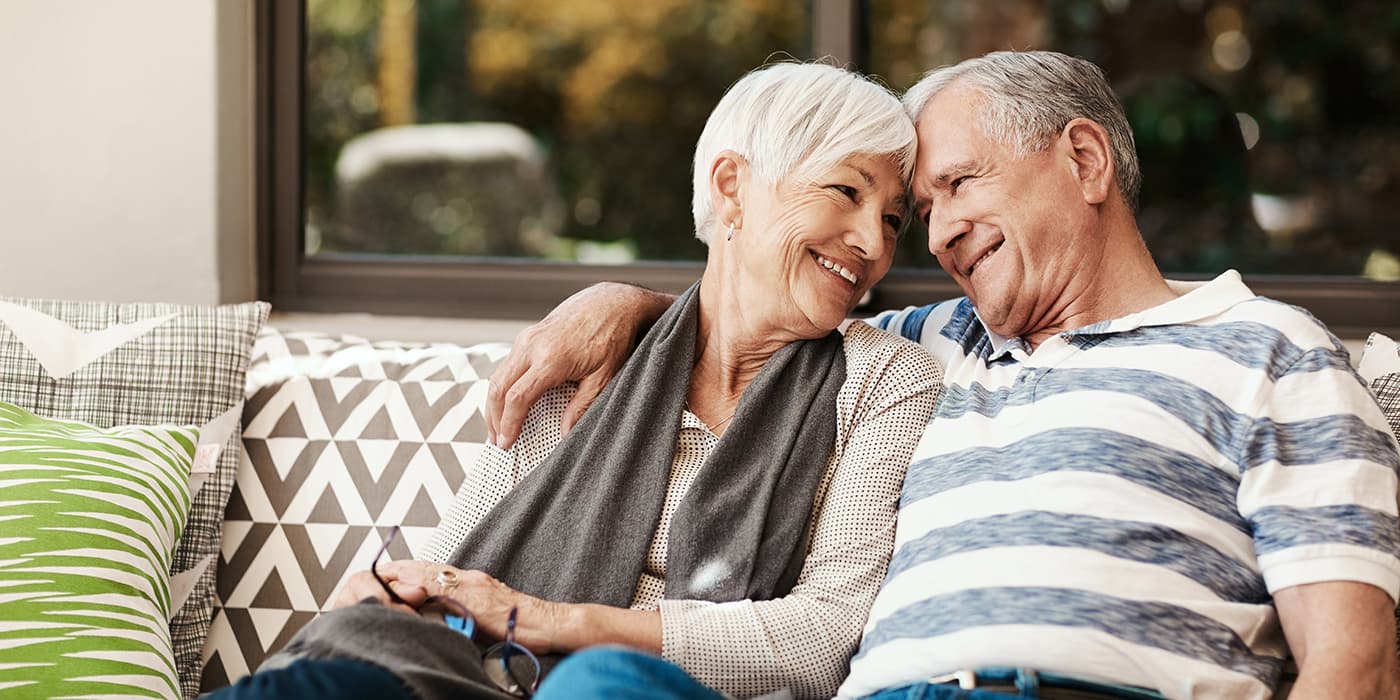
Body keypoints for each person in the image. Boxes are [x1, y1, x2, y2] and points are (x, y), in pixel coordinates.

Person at [490, 51, 1400, 700]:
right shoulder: (919, 349)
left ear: (1083, 162)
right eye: (917, 212)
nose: (932, 235)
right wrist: (622, 304)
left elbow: (1354, 665)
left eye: (960, 185)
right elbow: (758, 298)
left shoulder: (1272, 352)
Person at [207, 62, 941, 700]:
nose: (873, 243)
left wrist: (555, 621)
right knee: (325, 677)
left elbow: (822, 636)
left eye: (891, 219)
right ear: (732, 187)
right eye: (846, 192)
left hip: (650, 688)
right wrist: (393, 593)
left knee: (596, 683)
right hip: (477, 677)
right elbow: (457, 565)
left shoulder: (883, 380)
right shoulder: (586, 359)